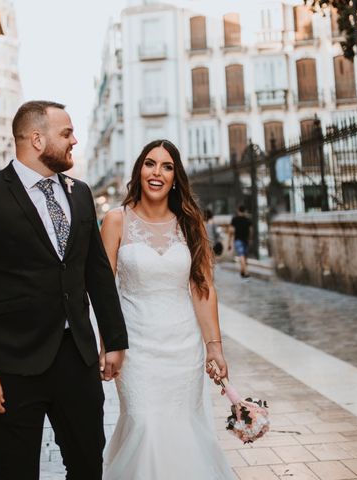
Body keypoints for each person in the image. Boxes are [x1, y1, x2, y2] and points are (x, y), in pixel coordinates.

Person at [0, 100, 128, 480]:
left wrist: (113, 338)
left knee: (86, 466)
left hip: (77, 360)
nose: (74, 141)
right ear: (36, 139)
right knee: (15, 471)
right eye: (66, 134)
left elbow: (96, 271)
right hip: (13, 364)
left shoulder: (79, 193)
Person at [100, 139, 236, 479]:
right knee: (144, 423)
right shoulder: (116, 221)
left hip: (182, 346)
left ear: (176, 177)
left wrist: (214, 347)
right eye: (150, 164)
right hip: (136, 348)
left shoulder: (190, 223)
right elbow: (102, 290)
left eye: (166, 166)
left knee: (181, 427)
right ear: (139, 171)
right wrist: (109, 343)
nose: (157, 172)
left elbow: (202, 288)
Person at [229, 205, 252, 278]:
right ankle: (243, 271)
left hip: (238, 239)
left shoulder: (235, 219)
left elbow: (231, 231)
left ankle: (244, 271)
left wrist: (229, 242)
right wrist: (250, 239)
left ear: (238, 210)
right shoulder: (248, 219)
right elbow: (251, 230)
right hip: (245, 239)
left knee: (241, 255)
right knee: (244, 256)